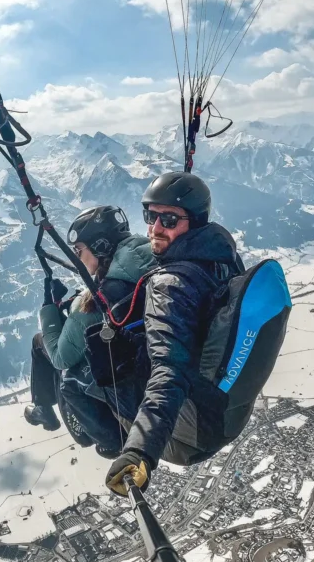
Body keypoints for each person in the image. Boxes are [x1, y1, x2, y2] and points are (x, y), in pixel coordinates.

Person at [103, 172, 245, 495]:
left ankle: (111, 440)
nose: (154, 229)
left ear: (193, 223)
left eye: (168, 219)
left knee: (97, 368)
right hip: (224, 410)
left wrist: (139, 451)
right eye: (150, 217)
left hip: (192, 434)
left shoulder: (168, 285)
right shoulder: (224, 258)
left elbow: (169, 371)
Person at [24, 205, 156, 456]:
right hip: (147, 356)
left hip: (129, 383)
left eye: (79, 250)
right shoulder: (148, 256)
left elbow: (61, 357)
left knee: (41, 344)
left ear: (101, 247)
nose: (76, 257)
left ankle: (45, 408)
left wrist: (50, 308)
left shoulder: (97, 302)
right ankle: (42, 406)